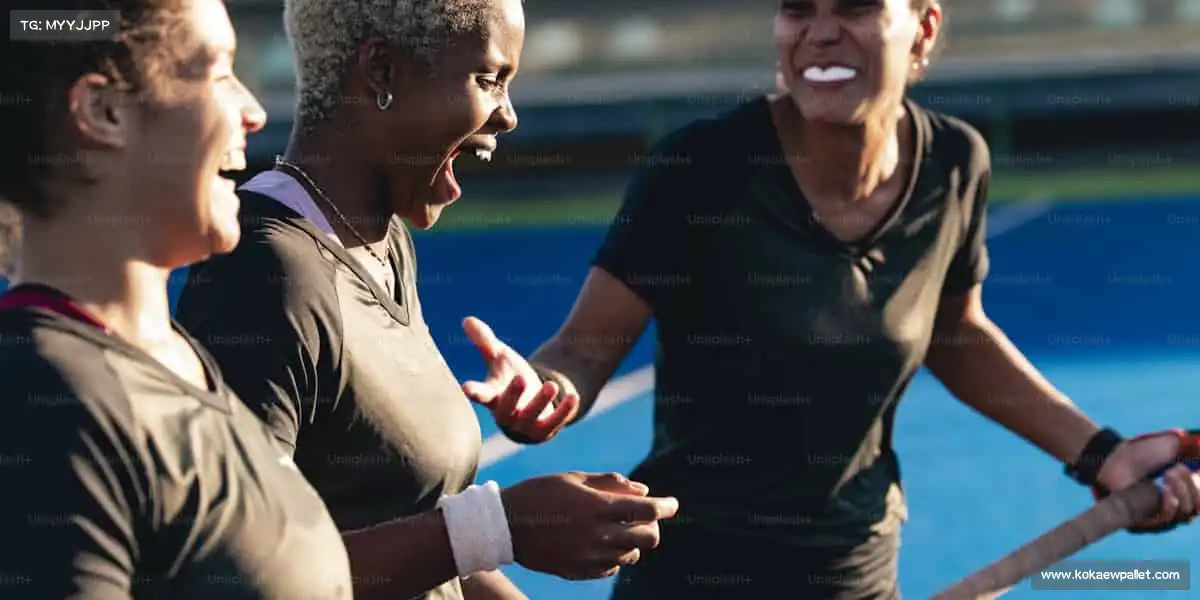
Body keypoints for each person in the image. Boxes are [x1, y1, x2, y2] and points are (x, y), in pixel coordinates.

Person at [493, 0, 1200, 598]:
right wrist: (545, 389)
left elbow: (956, 335)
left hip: (854, 572)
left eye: (856, 6)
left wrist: (1102, 454)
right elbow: (584, 346)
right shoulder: (702, 168)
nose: (821, 31)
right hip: (692, 570)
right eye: (799, 8)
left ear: (922, 27)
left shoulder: (955, 163)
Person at [174, 0, 679, 598]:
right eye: (489, 79)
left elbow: (419, 529)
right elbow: (232, 577)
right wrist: (502, 526)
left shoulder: (383, 241)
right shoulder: (266, 274)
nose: (509, 116)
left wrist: (491, 535)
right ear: (382, 71)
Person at [0, 0, 356, 597]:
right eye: (218, 73)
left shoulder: (170, 359)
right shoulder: (45, 401)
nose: (254, 110)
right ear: (104, 110)